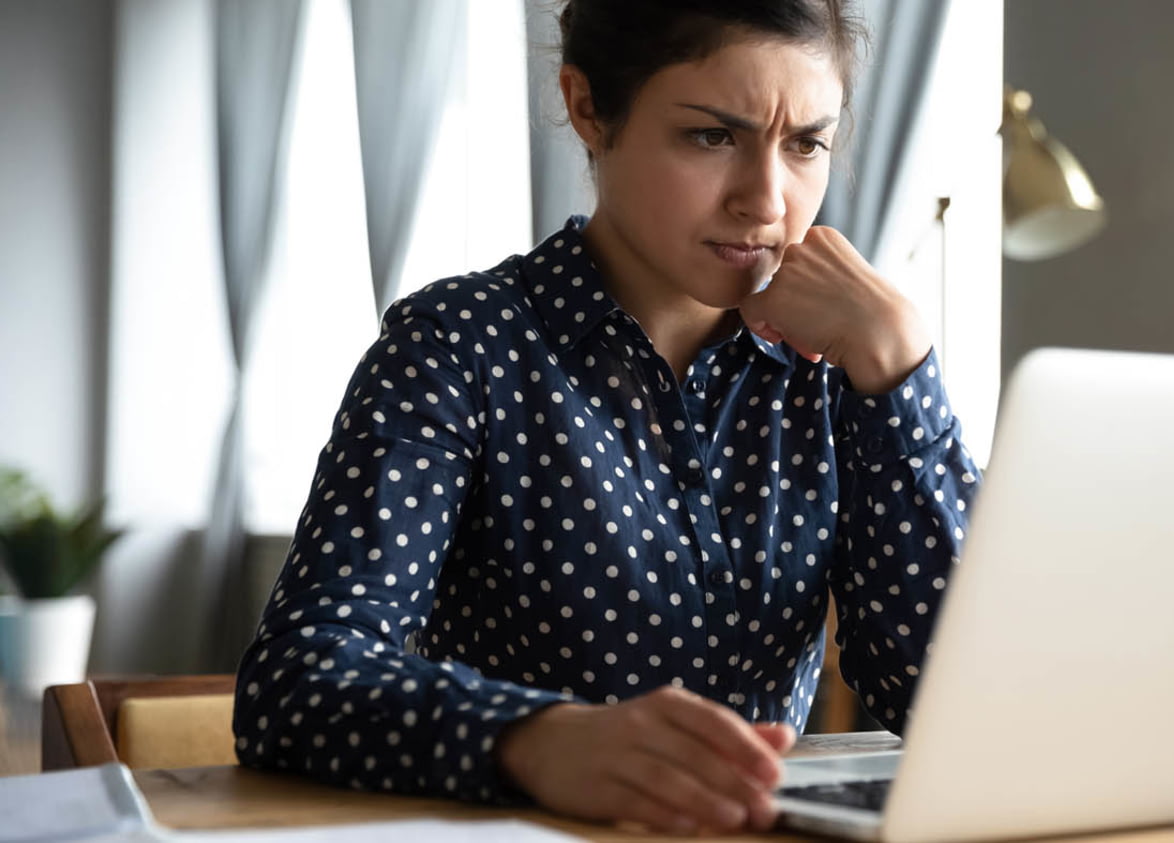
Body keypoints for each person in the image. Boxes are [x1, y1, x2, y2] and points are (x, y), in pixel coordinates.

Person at [232, 0, 981, 835]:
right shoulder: (460, 345)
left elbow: (959, 705)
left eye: (806, 143)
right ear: (589, 108)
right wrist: (539, 741)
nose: (767, 201)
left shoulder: (836, 368)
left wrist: (902, 373)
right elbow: (297, 679)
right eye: (712, 136)